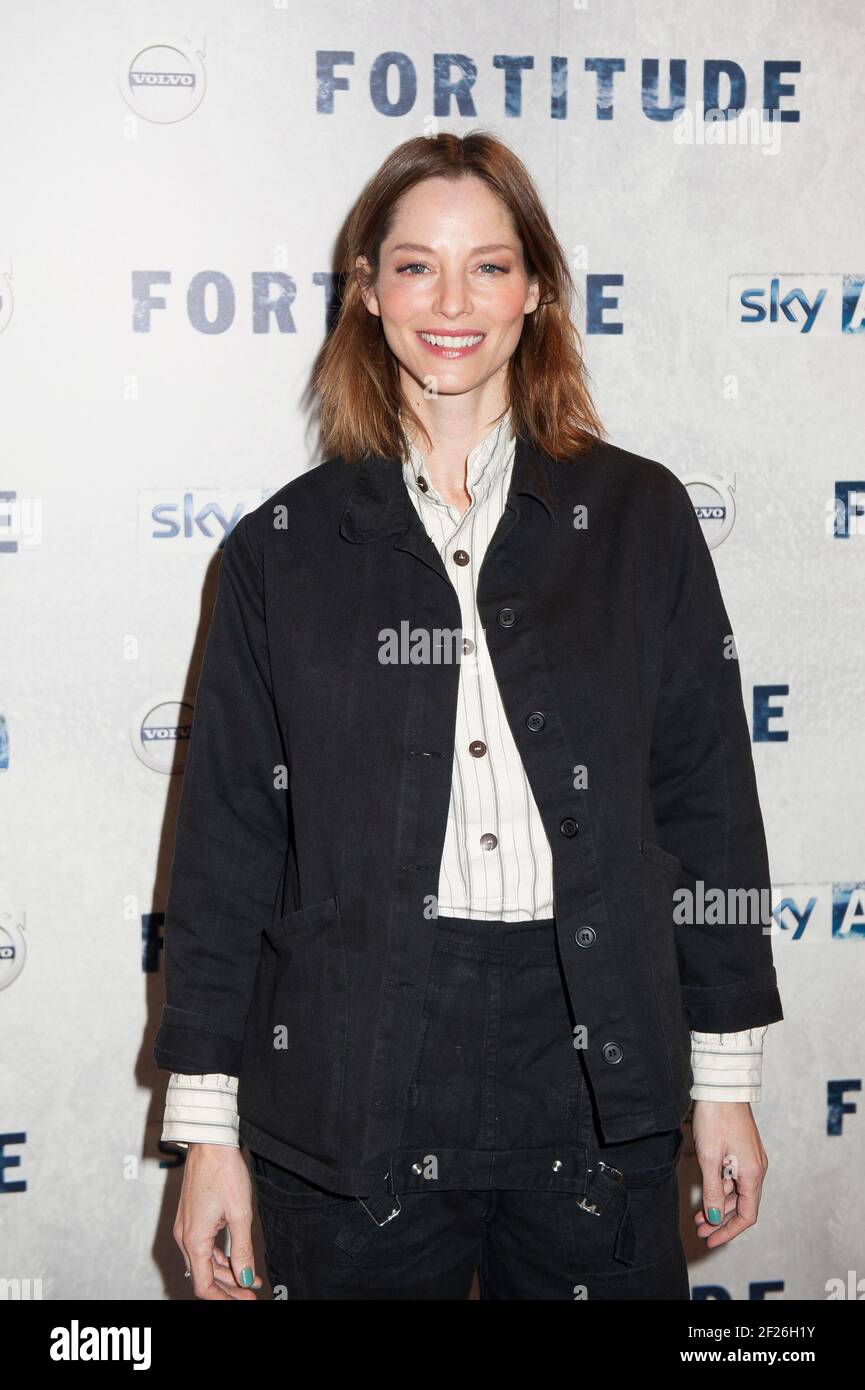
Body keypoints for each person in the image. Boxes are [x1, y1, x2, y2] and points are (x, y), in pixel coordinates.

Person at [153, 130, 783, 1301]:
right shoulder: (278, 554)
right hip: (350, 1075)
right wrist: (207, 1135)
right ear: (366, 290)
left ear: (535, 288)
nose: (452, 303)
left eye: (488, 266)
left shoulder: (637, 518)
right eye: (414, 266)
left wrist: (725, 1078)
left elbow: (705, 805)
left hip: (598, 1061)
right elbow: (227, 856)